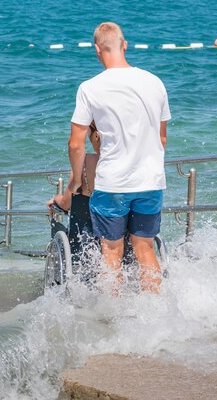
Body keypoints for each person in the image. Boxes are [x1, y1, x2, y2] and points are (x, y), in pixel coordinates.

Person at [55, 22, 171, 294]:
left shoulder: (90, 88)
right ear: (125, 44)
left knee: (111, 251)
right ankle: (156, 315)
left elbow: (76, 144)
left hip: (112, 183)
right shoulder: (154, 82)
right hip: (150, 181)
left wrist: (77, 182)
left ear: (97, 49)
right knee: (145, 248)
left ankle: (112, 317)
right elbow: (162, 138)